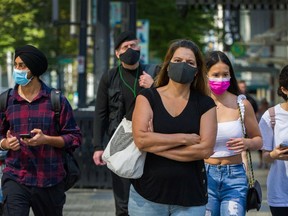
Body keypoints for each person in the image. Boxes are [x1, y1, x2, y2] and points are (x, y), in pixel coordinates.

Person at [130, 39, 217, 216]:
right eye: (177, 61)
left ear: (196, 72)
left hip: (191, 198)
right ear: (168, 65)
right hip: (147, 196)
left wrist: (155, 145)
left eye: (190, 63)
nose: (183, 65)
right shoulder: (147, 97)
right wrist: (184, 139)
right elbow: (140, 140)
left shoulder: (205, 104)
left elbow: (205, 150)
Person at [0, 45, 82, 216]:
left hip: (50, 179)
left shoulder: (56, 100)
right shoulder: (6, 100)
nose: (17, 70)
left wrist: (46, 139)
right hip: (15, 177)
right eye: (16, 65)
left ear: (35, 70)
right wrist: (5, 143)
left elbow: (74, 138)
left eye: (22, 65)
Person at [92, 30, 155, 216]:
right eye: (125, 47)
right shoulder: (109, 77)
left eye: (133, 45)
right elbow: (100, 113)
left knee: (148, 199)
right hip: (120, 142)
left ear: (139, 48)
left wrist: (153, 86)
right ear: (117, 53)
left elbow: (167, 103)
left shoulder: (152, 73)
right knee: (122, 202)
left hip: (149, 143)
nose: (130, 49)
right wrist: (97, 146)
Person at [204, 50, 262, 215]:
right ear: (205, 75)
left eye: (225, 74)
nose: (221, 78)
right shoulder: (198, 103)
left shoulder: (242, 104)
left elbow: (259, 140)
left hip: (235, 176)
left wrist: (248, 143)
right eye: (215, 74)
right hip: (205, 175)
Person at [258, 65, 288, 216]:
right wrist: (274, 154)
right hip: (281, 192)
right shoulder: (270, 116)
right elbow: (265, 156)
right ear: (284, 89)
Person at [256, 98, 270, 169]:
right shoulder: (260, 110)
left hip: (266, 132)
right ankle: (261, 162)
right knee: (261, 150)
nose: (265, 105)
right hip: (260, 132)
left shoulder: (269, 110)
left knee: (266, 148)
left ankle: (265, 163)